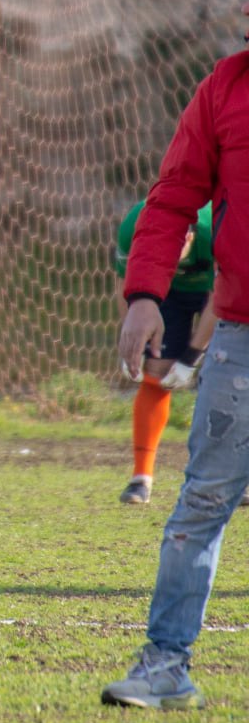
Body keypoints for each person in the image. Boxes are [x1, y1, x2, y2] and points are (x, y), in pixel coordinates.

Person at [101, 0, 249, 712]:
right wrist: (143, 295)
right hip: (241, 341)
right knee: (203, 501)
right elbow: (171, 199)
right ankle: (165, 666)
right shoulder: (223, 87)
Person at [113, 200, 216, 506]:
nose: (167, 253)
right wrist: (132, 342)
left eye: (175, 247)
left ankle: (237, 478)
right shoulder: (134, 225)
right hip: (163, 288)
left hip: (222, 288)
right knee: (156, 372)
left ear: (190, 236)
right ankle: (141, 478)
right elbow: (124, 283)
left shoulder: (217, 228)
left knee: (228, 375)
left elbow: (222, 299)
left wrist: (192, 357)